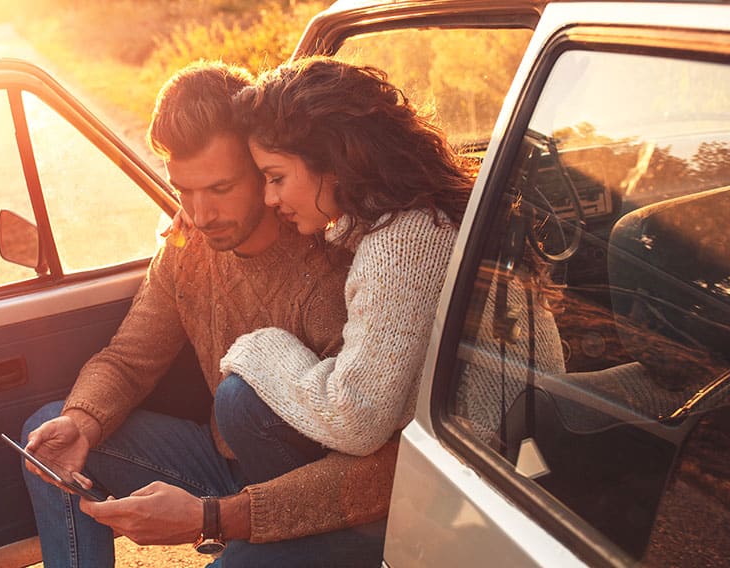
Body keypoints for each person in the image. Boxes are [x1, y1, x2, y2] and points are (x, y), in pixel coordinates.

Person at [20, 61, 393, 568]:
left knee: (240, 400)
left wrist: (217, 516)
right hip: (222, 468)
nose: (199, 214)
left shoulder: (325, 270)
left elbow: (373, 471)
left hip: (320, 499)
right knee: (49, 433)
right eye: (183, 190)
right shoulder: (187, 246)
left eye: (219, 189)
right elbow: (129, 359)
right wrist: (82, 421)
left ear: (264, 169)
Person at [218, 57, 565, 457]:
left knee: (238, 399)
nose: (269, 198)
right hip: (498, 450)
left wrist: (257, 346)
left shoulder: (403, 243)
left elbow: (354, 421)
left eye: (276, 177)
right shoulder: (415, 216)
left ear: (333, 163)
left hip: (492, 469)